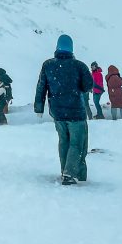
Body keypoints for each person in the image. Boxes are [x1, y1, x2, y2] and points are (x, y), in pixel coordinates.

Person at [34, 34, 92, 185]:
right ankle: (70, 174)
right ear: (71, 48)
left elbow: (41, 87)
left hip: (58, 112)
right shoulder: (79, 66)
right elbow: (88, 86)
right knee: (77, 143)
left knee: (64, 141)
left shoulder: (48, 65)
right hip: (76, 112)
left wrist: (39, 107)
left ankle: (65, 170)